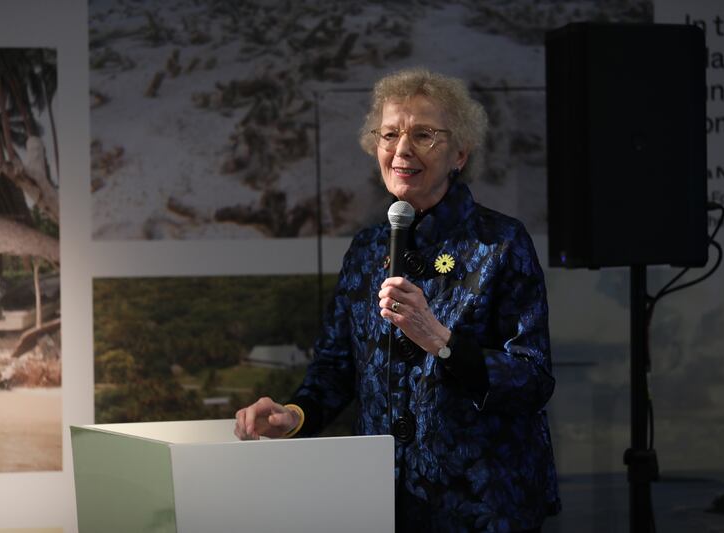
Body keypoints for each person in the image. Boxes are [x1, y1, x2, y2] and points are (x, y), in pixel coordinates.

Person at [235, 67, 560, 533]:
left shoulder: (501, 242)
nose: (401, 150)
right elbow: (335, 366)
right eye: (390, 134)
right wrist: (295, 415)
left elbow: (533, 379)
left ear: (460, 153)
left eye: (423, 135)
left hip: (483, 504)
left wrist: (441, 342)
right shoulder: (368, 249)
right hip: (382, 499)